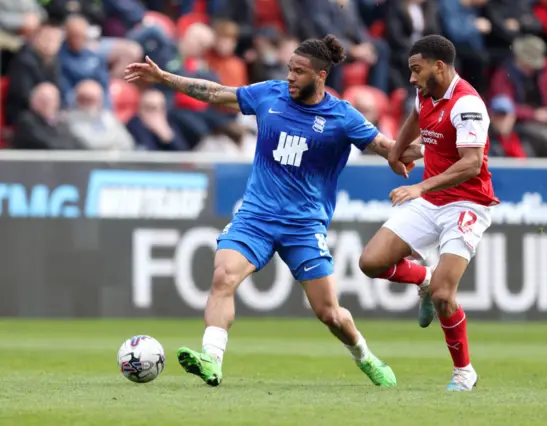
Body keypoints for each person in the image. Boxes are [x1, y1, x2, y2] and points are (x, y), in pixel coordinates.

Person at [124, 35, 422, 388]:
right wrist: (166, 78)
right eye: (289, 69)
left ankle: (364, 356)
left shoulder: (342, 116)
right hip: (256, 217)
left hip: (304, 225)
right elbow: (217, 93)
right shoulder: (270, 94)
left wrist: (424, 151)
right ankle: (212, 360)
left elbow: (386, 146)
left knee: (330, 314)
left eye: (299, 71)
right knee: (223, 278)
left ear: (322, 76)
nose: (291, 77)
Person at [358, 35, 499, 392]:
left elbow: (470, 164)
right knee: (371, 262)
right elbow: (415, 116)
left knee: (443, 295)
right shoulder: (427, 93)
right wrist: (397, 150)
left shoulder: (467, 105)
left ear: (440, 66)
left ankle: (464, 373)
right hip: (432, 201)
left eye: (416, 70)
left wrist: (420, 187)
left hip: (466, 203)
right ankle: (422, 277)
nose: (411, 78)